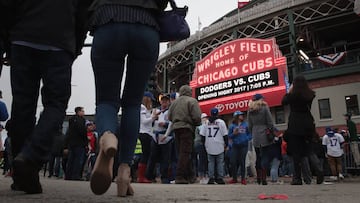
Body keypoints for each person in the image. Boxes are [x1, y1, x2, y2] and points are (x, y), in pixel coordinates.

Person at [1, 0, 90, 194]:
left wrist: (8, 42)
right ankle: (31, 156)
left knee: (22, 105)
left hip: (22, 37)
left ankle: (20, 172)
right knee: (56, 104)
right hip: (59, 39)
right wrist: (75, 45)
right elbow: (84, 11)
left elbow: (7, 6)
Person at [88, 0, 168, 196]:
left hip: (108, 21)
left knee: (107, 100)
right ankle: (124, 173)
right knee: (133, 103)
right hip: (146, 26)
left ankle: (108, 137)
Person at [282, 75, 324, 185]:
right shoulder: (310, 94)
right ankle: (319, 170)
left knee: (296, 152)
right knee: (309, 150)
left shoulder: (292, 95)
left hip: (295, 124)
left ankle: (297, 178)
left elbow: (283, 101)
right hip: (307, 123)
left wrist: (289, 91)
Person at [168, 85, 202, 184]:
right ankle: (180, 176)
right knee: (186, 153)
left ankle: (190, 176)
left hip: (176, 128)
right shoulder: (192, 101)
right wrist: (196, 123)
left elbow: (169, 117)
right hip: (187, 128)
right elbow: (197, 116)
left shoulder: (174, 103)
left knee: (181, 152)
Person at [247, 93, 274, 185]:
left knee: (258, 156)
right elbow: (270, 122)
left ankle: (258, 177)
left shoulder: (250, 110)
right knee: (265, 155)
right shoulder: (265, 108)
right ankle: (264, 178)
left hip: (255, 134)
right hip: (264, 133)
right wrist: (271, 130)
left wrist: (253, 132)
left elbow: (249, 125)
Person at [145, 94, 172, 184]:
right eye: (163, 101)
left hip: (166, 136)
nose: (164, 102)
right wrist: (153, 118)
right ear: (160, 101)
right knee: (152, 157)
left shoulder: (170, 112)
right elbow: (149, 123)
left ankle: (164, 177)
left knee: (165, 158)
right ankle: (149, 176)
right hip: (155, 136)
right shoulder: (155, 111)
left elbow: (172, 124)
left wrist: (165, 124)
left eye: (166, 101)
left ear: (168, 102)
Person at [200, 108, 228, 185]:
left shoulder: (206, 123)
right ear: (217, 114)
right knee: (220, 162)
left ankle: (211, 178)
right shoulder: (221, 122)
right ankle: (220, 178)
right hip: (219, 144)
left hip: (209, 144)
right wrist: (226, 144)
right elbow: (225, 134)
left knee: (211, 162)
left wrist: (204, 144)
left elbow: (202, 135)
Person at [228, 110, 251, 185]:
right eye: (240, 115)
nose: (242, 116)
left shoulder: (246, 125)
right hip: (235, 145)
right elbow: (229, 136)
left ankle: (243, 179)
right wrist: (234, 134)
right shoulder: (232, 126)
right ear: (236, 117)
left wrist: (246, 139)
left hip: (243, 145)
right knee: (233, 162)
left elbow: (250, 134)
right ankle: (234, 178)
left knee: (242, 161)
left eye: (242, 115)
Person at [137, 92, 156, 183]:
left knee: (146, 155)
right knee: (145, 155)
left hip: (146, 133)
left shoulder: (145, 109)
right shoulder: (142, 108)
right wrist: (153, 117)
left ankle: (142, 176)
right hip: (144, 133)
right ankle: (141, 177)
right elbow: (144, 121)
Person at [65, 107, 88, 181]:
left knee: (71, 160)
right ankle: (75, 175)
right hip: (80, 143)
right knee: (78, 160)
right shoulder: (81, 120)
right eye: (82, 111)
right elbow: (82, 131)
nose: (84, 112)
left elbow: (69, 133)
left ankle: (68, 175)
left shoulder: (71, 120)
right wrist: (86, 140)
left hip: (72, 143)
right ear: (78, 111)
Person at [194, 113, 209, 184]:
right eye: (204, 118)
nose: (205, 119)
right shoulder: (199, 127)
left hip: (204, 144)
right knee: (201, 160)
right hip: (199, 144)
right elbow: (201, 135)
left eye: (206, 117)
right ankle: (201, 176)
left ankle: (204, 175)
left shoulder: (204, 126)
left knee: (204, 160)